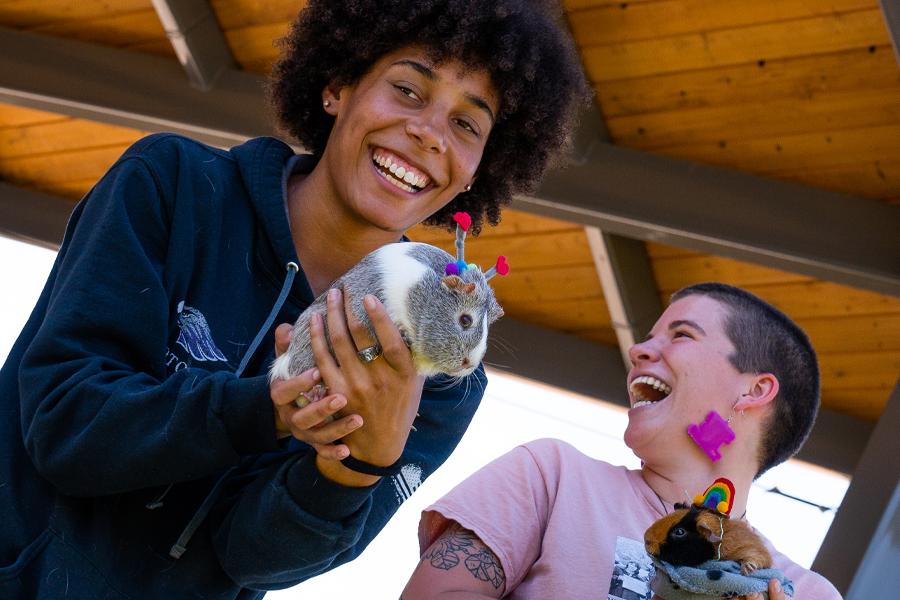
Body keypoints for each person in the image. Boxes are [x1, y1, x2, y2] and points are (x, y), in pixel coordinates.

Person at [0, 1, 588, 597]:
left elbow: (255, 560)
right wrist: (269, 409)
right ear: (336, 87)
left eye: (468, 124)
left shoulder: (437, 373)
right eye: (409, 90)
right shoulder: (174, 186)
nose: (430, 133)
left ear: (476, 173)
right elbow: (64, 426)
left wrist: (357, 468)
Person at [403, 283, 843, 599]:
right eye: (649, 337)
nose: (639, 350)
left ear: (754, 391)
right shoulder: (552, 475)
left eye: (682, 335)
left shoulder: (805, 593)